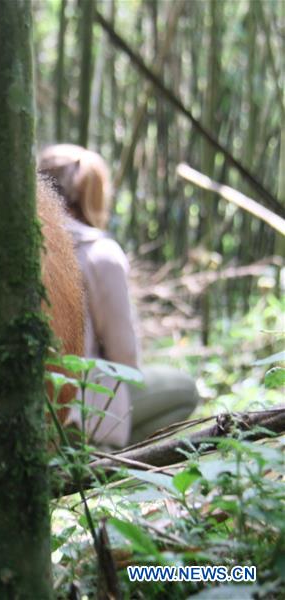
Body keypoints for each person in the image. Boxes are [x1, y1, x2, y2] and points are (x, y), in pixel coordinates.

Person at [38, 144, 198, 448]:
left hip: (24, 406)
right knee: (184, 389)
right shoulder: (100, 254)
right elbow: (125, 359)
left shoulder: (13, 244)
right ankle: (104, 458)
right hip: (80, 409)